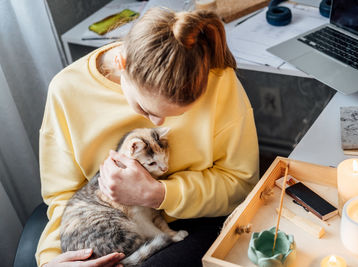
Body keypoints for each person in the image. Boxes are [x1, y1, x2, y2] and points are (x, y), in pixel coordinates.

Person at [36, 7, 259, 267]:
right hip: (102, 220)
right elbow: (63, 196)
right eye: (145, 109)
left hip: (195, 216)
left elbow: (241, 183)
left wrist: (159, 194)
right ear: (122, 63)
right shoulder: (66, 91)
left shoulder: (218, 79)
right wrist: (53, 260)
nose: (158, 124)